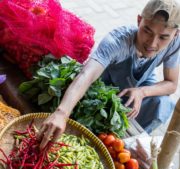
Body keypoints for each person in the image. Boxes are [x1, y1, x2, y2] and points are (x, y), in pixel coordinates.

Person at [38, 0, 180, 150]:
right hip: (104, 86)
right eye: (147, 31)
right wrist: (61, 113)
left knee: (163, 104)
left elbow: (171, 84)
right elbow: (87, 74)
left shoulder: (175, 43)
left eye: (163, 37)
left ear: (176, 34)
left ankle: (126, 146)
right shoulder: (117, 41)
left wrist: (142, 91)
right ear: (139, 21)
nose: (152, 43)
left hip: (139, 82)